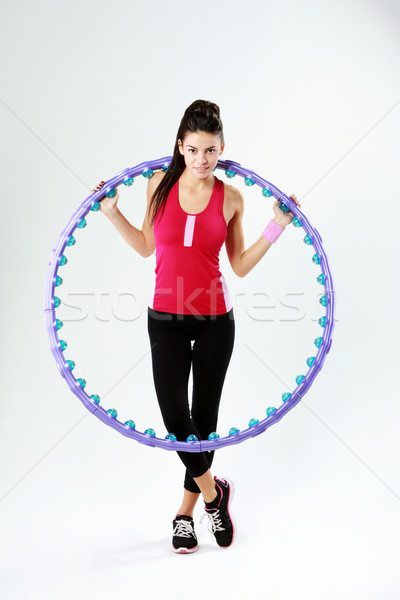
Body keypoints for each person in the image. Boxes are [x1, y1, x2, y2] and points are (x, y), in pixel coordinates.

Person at [92, 99, 301, 554]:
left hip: (213, 321)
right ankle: (214, 496)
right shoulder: (157, 186)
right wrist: (111, 213)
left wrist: (278, 225)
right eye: (193, 150)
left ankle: (184, 515)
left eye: (211, 150)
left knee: (203, 423)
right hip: (165, 318)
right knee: (176, 419)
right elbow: (147, 246)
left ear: (222, 148)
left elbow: (240, 265)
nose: (202, 160)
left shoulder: (232, 197)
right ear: (180, 147)